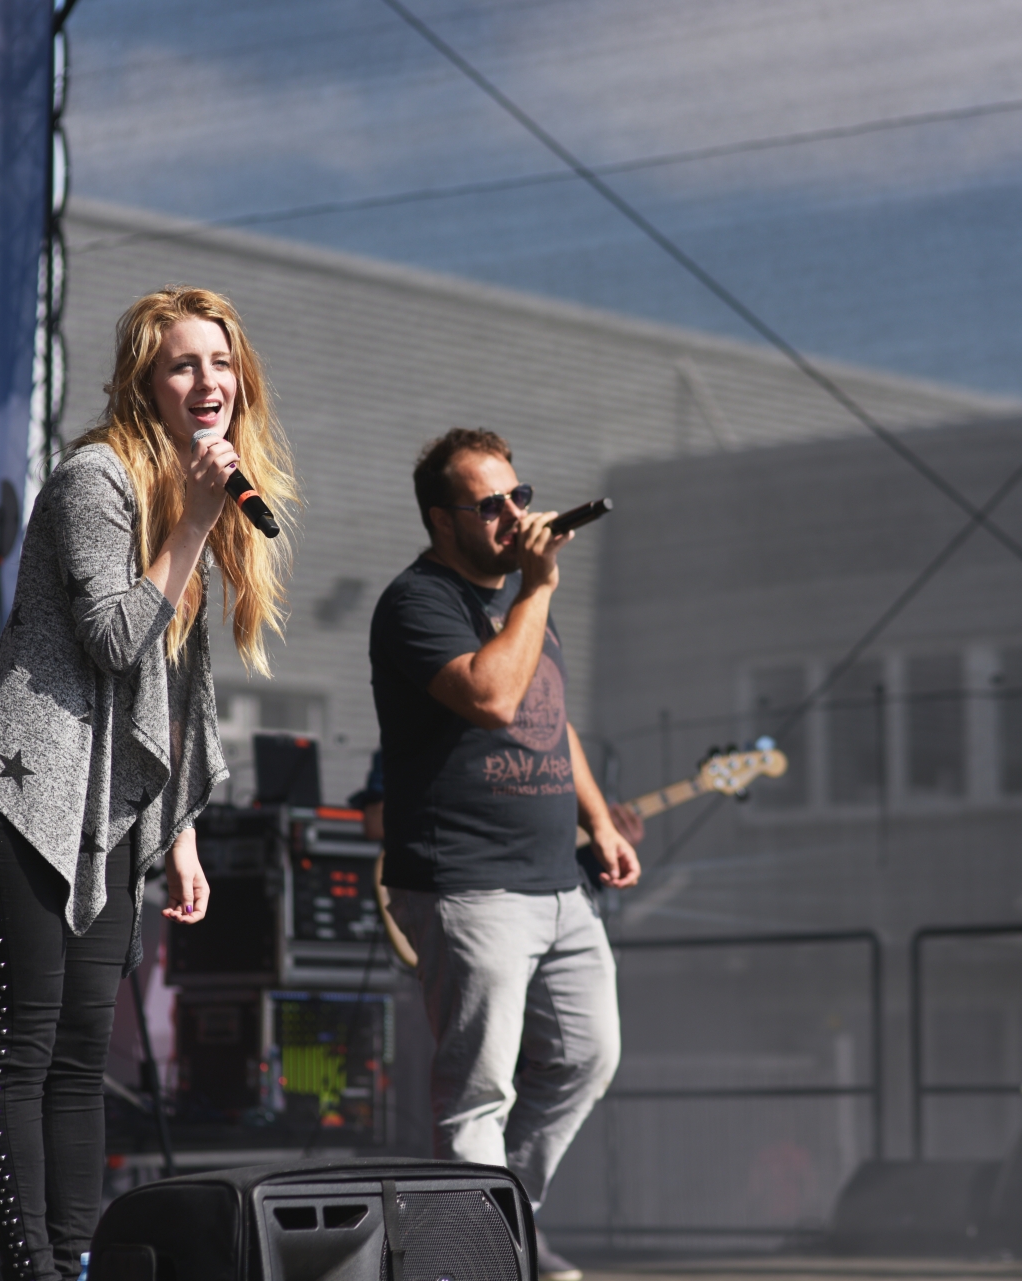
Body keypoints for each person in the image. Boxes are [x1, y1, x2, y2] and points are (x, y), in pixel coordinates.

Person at [0, 286, 294, 1281]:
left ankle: (74, 1262)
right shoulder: (93, 479)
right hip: (19, 791)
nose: (209, 381)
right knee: (25, 1040)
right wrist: (192, 524)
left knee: (83, 1052)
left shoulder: (192, 496)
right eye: (184, 364)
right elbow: (110, 639)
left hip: (107, 810)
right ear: (145, 381)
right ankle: (33, 1270)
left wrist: (178, 831)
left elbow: (170, 679)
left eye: (222, 363)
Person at [371, 428, 639, 1281]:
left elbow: (547, 714)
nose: (515, 514)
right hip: (469, 885)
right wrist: (539, 585)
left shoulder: (523, 604)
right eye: (490, 505)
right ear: (441, 520)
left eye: (519, 496)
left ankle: (497, 1230)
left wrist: (598, 820)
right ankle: (477, 1261)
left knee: (588, 1056)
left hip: (557, 884)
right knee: (478, 1091)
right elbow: (491, 696)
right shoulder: (417, 602)